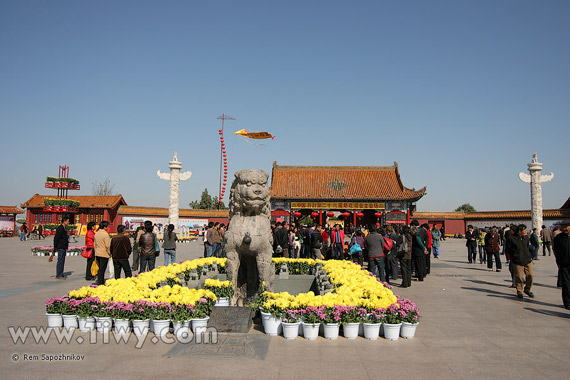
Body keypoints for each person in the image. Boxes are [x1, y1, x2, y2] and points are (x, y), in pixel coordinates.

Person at [508, 224, 534, 299]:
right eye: (524, 230)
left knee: (530, 275)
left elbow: (527, 247)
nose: (526, 231)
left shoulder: (526, 238)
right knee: (519, 277)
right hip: (517, 260)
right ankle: (519, 291)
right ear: (520, 231)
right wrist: (514, 256)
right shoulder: (511, 239)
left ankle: (527, 289)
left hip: (527, 259)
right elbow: (509, 250)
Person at [553, 221, 570, 309]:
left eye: (566, 227)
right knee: (566, 284)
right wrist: (559, 260)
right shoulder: (559, 238)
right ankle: (567, 302)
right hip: (564, 264)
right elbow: (555, 249)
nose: (565, 228)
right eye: (563, 227)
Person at [94, 221, 111, 285]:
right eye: (107, 227)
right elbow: (107, 246)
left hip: (98, 253)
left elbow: (95, 244)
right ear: (104, 227)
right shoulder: (105, 234)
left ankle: (99, 279)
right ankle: (100, 281)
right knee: (102, 268)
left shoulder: (97, 233)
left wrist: (96, 251)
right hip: (104, 253)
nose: (108, 228)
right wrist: (109, 253)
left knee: (100, 268)